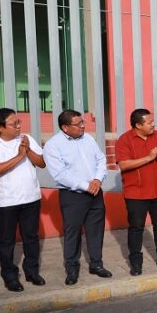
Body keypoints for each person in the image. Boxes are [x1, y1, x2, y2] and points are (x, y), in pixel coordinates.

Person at [0, 108, 45, 292]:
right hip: (6, 202)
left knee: (31, 237)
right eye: (14, 123)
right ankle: (9, 276)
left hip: (31, 198)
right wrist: (19, 156)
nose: (19, 126)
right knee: (7, 240)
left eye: (19, 122)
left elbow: (41, 162)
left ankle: (32, 271)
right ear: (0, 128)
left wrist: (28, 149)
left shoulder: (26, 138)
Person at [44, 110, 112, 285]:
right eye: (78, 124)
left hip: (95, 192)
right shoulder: (53, 145)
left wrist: (97, 179)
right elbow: (60, 175)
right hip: (73, 195)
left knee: (96, 230)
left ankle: (96, 264)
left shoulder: (87, 138)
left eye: (83, 122)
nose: (83, 126)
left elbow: (100, 159)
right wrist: (86, 185)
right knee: (72, 233)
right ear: (65, 127)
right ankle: (72, 269)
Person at [116, 109, 157, 276]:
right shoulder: (124, 140)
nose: (154, 125)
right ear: (138, 125)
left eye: (153, 121)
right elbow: (124, 165)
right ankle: (136, 263)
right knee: (136, 228)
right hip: (136, 194)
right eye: (149, 122)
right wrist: (149, 157)